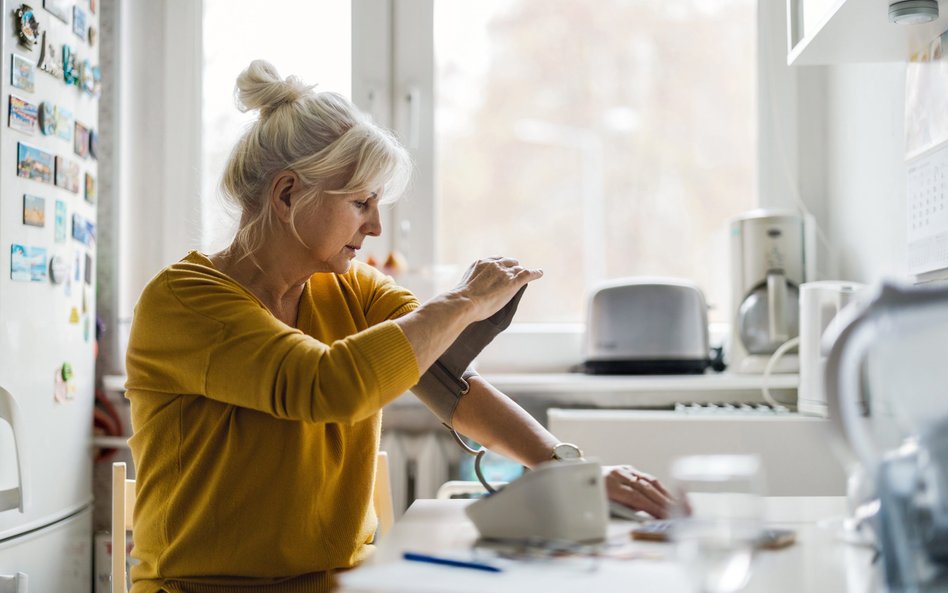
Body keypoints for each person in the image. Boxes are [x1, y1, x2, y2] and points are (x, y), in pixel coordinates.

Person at [124, 60, 673, 593]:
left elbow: (444, 376)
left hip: (348, 582)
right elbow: (326, 386)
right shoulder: (184, 303)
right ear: (288, 194)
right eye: (361, 202)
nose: (376, 225)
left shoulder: (351, 288)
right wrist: (461, 301)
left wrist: (567, 470)